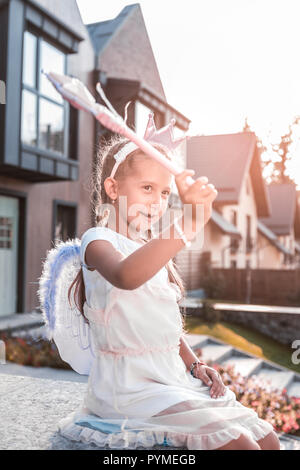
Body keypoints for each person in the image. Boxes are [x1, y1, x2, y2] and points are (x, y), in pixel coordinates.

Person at [57, 119, 280, 451]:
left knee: (269, 440)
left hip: (171, 377)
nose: (157, 202)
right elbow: (126, 276)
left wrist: (196, 365)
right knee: (242, 446)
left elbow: (162, 326)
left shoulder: (151, 250)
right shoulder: (97, 241)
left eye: (164, 193)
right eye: (147, 188)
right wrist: (188, 222)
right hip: (128, 388)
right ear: (113, 189)